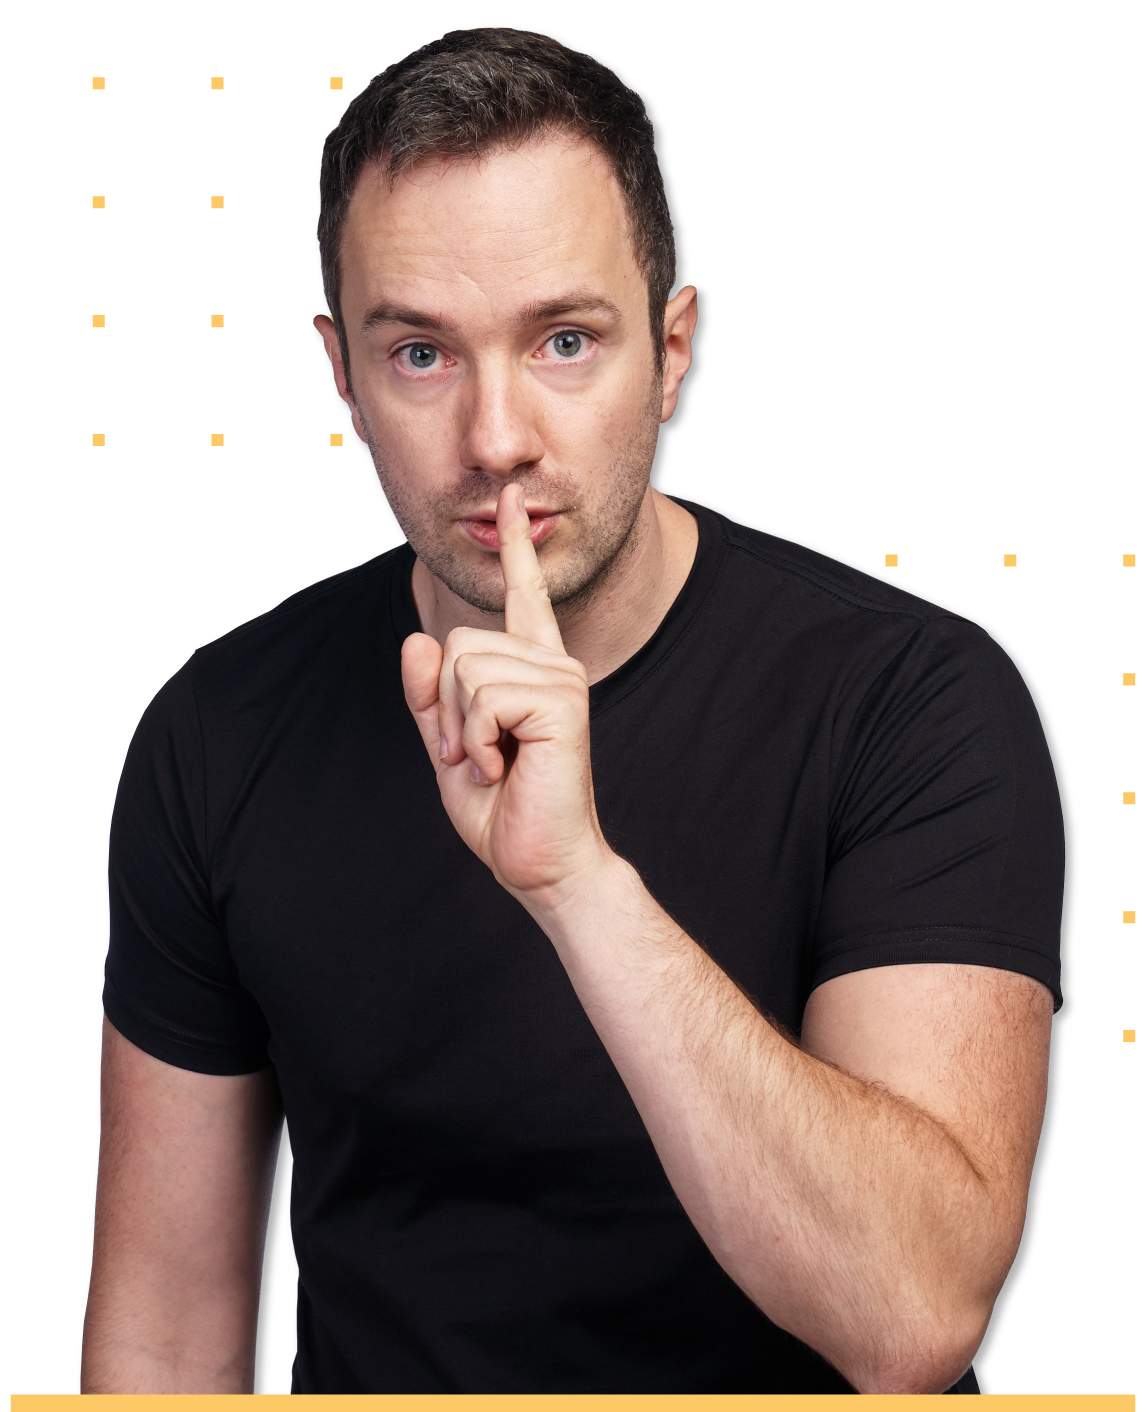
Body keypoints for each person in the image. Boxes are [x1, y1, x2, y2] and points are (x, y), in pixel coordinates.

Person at [82, 28, 1063, 1395]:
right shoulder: (215, 730)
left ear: (671, 352)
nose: (496, 439)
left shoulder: (913, 700)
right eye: (419, 353)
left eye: (563, 341)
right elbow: (162, 1336)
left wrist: (576, 883)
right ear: (341, 376)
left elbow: (911, 1319)